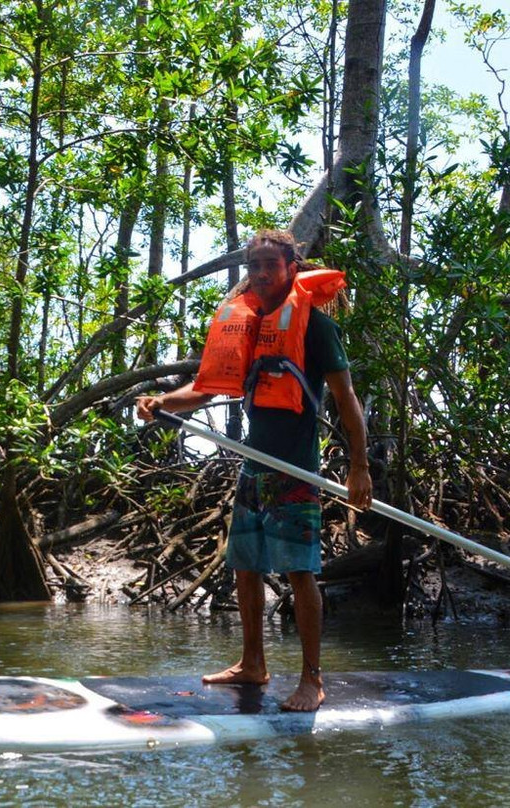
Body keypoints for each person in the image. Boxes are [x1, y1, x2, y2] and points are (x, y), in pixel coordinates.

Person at [136, 229, 372, 712]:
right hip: (254, 467)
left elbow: (347, 401)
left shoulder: (315, 328)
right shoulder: (248, 324)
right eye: (254, 266)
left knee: (299, 572)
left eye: (270, 265)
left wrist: (359, 467)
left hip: (296, 470)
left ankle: (312, 679)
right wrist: (163, 401)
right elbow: (206, 389)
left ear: (291, 268)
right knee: (245, 567)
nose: (261, 274)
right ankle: (252, 664)